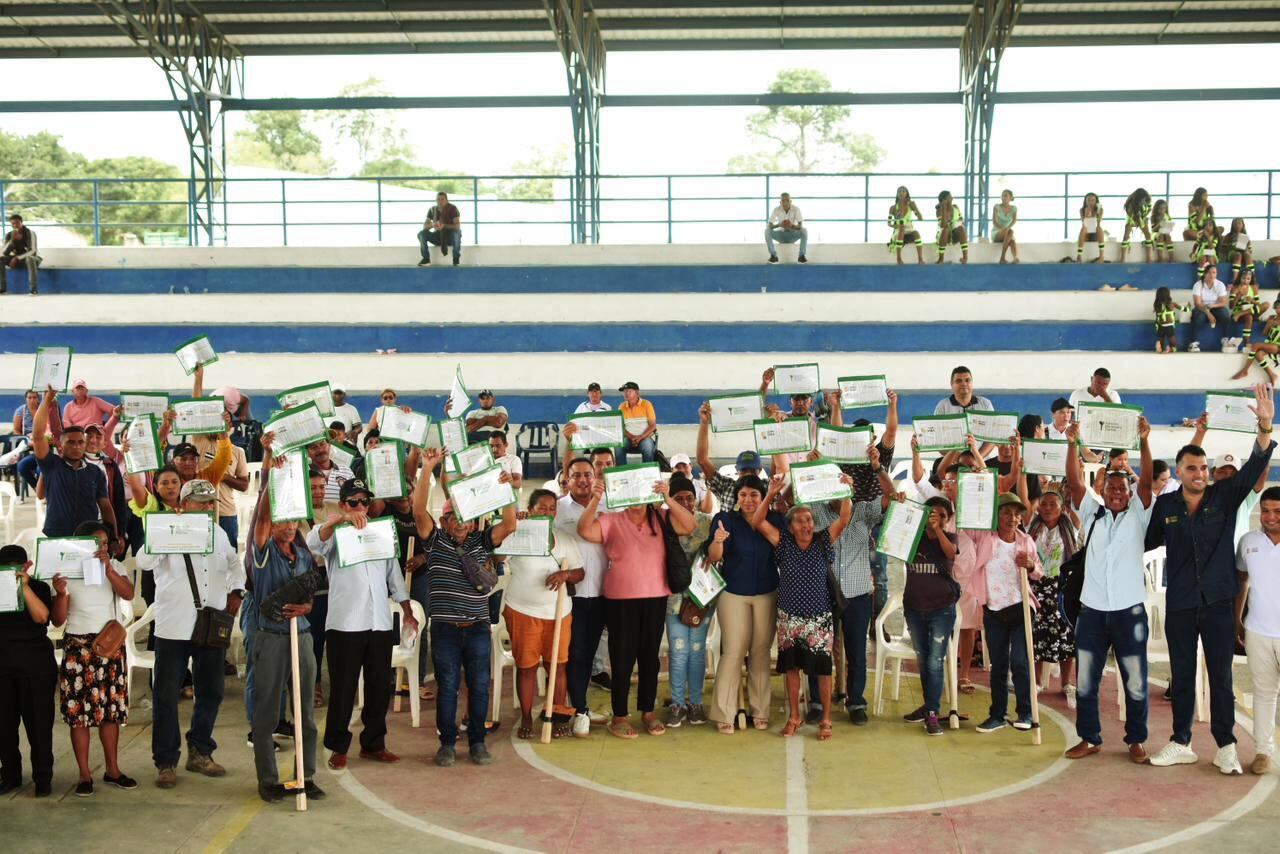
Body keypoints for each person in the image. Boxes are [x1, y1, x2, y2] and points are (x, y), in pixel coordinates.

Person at [1147, 384, 1275, 774]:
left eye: (1204, 468)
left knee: (1220, 678)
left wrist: (1266, 427)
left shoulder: (1224, 496)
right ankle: (1180, 741)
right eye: (1192, 468)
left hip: (1219, 602)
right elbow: (1147, 541)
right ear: (1180, 472)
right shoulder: (1166, 505)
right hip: (1182, 603)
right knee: (1182, 676)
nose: (1200, 474)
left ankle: (1226, 746)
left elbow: (1254, 467)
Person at [135, 479, 244, 789]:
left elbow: (235, 566)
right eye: (200, 502)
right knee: (166, 695)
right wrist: (167, 530)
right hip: (173, 626)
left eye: (210, 503)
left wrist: (237, 591)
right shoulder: (166, 530)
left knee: (211, 691)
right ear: (183, 505)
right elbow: (143, 560)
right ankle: (165, 760)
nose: (207, 508)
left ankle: (200, 750)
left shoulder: (220, 534)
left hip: (210, 625)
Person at [411, 449, 515, 765]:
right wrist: (427, 469)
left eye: (466, 517)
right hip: (445, 629)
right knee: (448, 688)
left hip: (478, 628)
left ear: (472, 521)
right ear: (444, 520)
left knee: (479, 687)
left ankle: (477, 742)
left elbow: (509, 524)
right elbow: (417, 511)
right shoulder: (434, 541)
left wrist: (506, 489)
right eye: (454, 516)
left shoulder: (481, 541)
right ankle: (446, 743)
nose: (460, 522)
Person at [1061, 416, 1154, 762]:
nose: (1117, 494)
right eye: (1111, 489)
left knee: (1135, 679)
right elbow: (1073, 481)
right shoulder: (1092, 514)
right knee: (1087, 679)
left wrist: (1144, 441)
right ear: (1102, 491)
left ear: (1129, 493)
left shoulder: (1139, 514)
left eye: (1122, 489)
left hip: (1129, 612)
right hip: (1092, 611)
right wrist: (1072, 443)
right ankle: (1090, 737)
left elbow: (1146, 481)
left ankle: (1136, 739)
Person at [307, 477, 417, 770]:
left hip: (379, 621)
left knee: (379, 686)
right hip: (345, 623)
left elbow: (394, 576)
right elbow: (312, 542)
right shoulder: (335, 535)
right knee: (343, 689)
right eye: (353, 502)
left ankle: (374, 743)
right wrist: (339, 520)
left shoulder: (381, 532)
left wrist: (407, 610)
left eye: (364, 502)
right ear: (343, 505)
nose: (360, 507)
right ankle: (337, 746)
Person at [576, 471, 696, 739]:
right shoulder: (611, 520)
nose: (635, 499)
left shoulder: (662, 518)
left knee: (650, 659)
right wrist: (595, 500)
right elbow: (584, 530)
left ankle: (647, 712)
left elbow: (689, 525)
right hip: (619, 600)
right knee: (622, 658)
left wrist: (667, 498)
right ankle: (619, 716)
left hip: (655, 597)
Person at [788, 447, 895, 726]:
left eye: (841, 482)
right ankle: (815, 702)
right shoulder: (813, 512)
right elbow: (788, 501)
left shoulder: (863, 510)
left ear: (847, 484)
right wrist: (809, 472)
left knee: (857, 652)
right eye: (831, 482)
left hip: (858, 594)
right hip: (822, 595)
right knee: (818, 651)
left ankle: (856, 701)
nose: (836, 489)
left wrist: (877, 468)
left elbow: (890, 496)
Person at [751, 471, 855, 740]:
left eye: (809, 520)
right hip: (789, 618)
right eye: (800, 521)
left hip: (820, 618)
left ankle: (827, 721)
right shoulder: (783, 542)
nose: (807, 525)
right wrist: (772, 493)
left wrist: (846, 491)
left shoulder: (822, 540)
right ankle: (795, 717)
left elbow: (844, 518)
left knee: (822, 670)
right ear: (790, 526)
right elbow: (758, 520)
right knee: (792, 669)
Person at [247, 446, 323, 804]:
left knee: (306, 712)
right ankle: (268, 779)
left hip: (302, 637)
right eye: (282, 521)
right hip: (272, 638)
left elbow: (310, 593)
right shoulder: (262, 550)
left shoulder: (304, 551)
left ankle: (306, 775)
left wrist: (306, 605)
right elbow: (261, 520)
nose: (289, 527)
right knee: (266, 713)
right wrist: (270, 481)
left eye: (293, 520)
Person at [49, 521, 137, 796]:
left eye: (102, 542)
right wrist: (61, 593)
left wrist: (109, 569)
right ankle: (84, 774)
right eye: (91, 542)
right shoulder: (65, 571)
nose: (98, 548)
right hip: (77, 646)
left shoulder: (114, 566)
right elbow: (58, 619)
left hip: (108, 646)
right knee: (79, 716)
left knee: (111, 712)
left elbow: (128, 593)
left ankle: (113, 769)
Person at [956, 492, 1044, 733]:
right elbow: (964, 519)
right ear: (996, 515)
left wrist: (1031, 565)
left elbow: (1039, 571)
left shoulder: (1025, 541)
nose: (1011, 518)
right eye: (1006, 512)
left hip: (1021, 608)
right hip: (993, 609)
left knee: (1019, 662)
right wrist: (976, 485)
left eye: (1016, 514)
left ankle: (1025, 713)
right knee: (998, 664)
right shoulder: (985, 537)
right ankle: (997, 715)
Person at [502, 489, 583, 740]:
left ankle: (556, 715)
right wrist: (515, 524)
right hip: (522, 611)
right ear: (531, 509)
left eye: (551, 509)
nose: (547, 513)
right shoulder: (517, 534)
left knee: (557, 667)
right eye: (541, 508)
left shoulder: (564, 539)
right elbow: (496, 556)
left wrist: (565, 575)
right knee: (526, 667)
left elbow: (579, 572)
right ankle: (526, 717)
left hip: (559, 614)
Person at [704, 474, 782, 735]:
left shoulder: (775, 520)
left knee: (760, 652)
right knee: (734, 651)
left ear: (763, 498)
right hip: (733, 594)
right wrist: (718, 541)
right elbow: (714, 558)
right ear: (736, 499)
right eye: (743, 495)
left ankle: (759, 710)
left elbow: (783, 547)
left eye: (754, 495)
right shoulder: (724, 520)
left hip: (767, 594)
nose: (748, 500)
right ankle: (724, 712)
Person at [556, 457, 613, 737]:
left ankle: (581, 703)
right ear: (566, 479)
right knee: (576, 653)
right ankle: (579, 709)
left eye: (588, 474)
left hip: (605, 593)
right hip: (571, 596)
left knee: (590, 654)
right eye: (576, 475)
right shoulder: (556, 508)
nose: (583, 480)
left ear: (596, 476)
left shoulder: (608, 505)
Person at [30, 387, 120, 550]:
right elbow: (37, 435)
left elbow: (105, 506)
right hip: (56, 536)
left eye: (80, 442)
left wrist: (113, 536)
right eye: (70, 442)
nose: (76, 446)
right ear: (61, 447)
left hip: (89, 538)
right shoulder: (52, 465)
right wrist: (47, 400)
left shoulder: (95, 472)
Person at [900, 496, 961, 736]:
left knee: (935, 661)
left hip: (941, 609)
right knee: (923, 660)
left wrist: (938, 530)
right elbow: (893, 545)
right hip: (914, 608)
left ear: (947, 520)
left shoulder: (951, 539)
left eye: (941, 516)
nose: (935, 519)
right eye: (930, 514)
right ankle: (928, 706)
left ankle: (933, 712)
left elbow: (951, 555)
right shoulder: (913, 538)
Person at [0, 544, 55, 796]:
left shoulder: (40, 588)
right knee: (4, 727)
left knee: (40, 726)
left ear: (27, 567)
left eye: (18, 568)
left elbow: (42, 617)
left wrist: (23, 587)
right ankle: (10, 775)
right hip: (3, 668)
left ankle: (43, 778)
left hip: (37, 669)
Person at [662, 475, 715, 727]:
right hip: (673, 599)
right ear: (669, 500)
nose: (685, 502)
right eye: (678, 498)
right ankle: (677, 703)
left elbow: (716, 556)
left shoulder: (708, 523)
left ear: (696, 499)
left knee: (696, 651)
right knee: (678, 651)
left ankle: (695, 702)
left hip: (701, 598)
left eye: (689, 497)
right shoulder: (663, 522)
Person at [1235, 486, 1280, 775]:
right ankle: (1263, 751)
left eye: (1277, 511)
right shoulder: (1248, 541)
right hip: (1258, 631)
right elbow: (1242, 581)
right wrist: (1236, 620)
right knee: (1264, 693)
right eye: (1265, 510)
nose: (1270, 516)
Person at [13, 389, 62, 492]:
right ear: (25, 399)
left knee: (41, 469)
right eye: (29, 398)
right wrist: (26, 438)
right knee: (22, 466)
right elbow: (16, 431)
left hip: (45, 444)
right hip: (29, 444)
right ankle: (38, 489)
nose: (32, 400)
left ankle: (45, 490)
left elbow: (54, 429)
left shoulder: (47, 409)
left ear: (39, 399)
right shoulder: (20, 411)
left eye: (34, 397)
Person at [1189, 263, 1230, 353]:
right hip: (1201, 308)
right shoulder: (1198, 284)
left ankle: (1225, 340)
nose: (1212, 275)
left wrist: (1213, 306)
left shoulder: (1220, 284)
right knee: (1200, 317)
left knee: (1225, 314)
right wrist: (1208, 313)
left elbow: (1223, 302)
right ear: (1204, 274)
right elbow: (1197, 303)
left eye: (1214, 272)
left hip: (1214, 307)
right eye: (1209, 273)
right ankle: (1193, 343)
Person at [1228, 267, 1268, 353]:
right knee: (1249, 317)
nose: (1245, 280)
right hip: (1238, 312)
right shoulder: (1235, 288)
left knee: (1266, 304)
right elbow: (1231, 306)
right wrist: (1238, 296)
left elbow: (1258, 304)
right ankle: (1246, 341)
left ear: (1251, 279)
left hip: (1251, 309)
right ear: (1240, 278)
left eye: (1248, 279)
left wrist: (1252, 300)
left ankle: (1242, 313)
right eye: (1243, 278)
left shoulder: (1253, 288)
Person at [616, 381, 658, 465]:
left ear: (637, 393)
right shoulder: (622, 406)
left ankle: (648, 474)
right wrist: (631, 437)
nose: (626, 394)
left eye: (629, 391)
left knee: (648, 448)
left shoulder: (646, 404)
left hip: (644, 438)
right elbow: (620, 427)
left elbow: (652, 425)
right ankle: (622, 474)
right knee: (618, 448)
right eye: (624, 391)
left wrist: (640, 437)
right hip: (628, 438)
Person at [418, 191, 462, 266]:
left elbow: (457, 226)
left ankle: (456, 258)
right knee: (422, 234)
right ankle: (426, 259)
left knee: (457, 233)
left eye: (442, 199)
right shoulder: (432, 210)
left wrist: (444, 225)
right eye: (438, 199)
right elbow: (425, 226)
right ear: (436, 200)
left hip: (450, 237)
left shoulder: (453, 208)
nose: (440, 201)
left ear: (446, 200)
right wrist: (433, 225)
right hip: (438, 236)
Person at [0, 213, 39, 295]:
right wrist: (12, 241)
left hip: (34, 259)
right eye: (12, 224)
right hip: (18, 260)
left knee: (30, 258)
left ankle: (33, 290)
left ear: (22, 222)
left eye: (17, 223)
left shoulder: (30, 233)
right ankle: (2, 289)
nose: (15, 225)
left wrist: (17, 258)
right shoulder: (9, 235)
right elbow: (3, 253)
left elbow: (33, 251)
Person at [887, 185, 926, 264]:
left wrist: (915, 208)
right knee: (901, 229)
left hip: (909, 229)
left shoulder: (911, 205)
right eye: (899, 191)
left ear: (907, 194)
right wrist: (898, 226)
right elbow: (889, 223)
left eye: (903, 191)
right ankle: (899, 258)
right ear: (897, 194)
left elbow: (921, 218)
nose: (901, 193)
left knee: (916, 233)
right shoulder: (893, 207)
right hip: (898, 230)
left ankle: (920, 258)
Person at [765, 192, 807, 264]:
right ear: (780, 202)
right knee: (767, 231)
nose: (785, 203)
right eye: (783, 201)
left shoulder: (796, 209)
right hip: (781, 235)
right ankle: (773, 256)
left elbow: (800, 226)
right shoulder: (776, 210)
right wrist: (779, 225)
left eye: (787, 200)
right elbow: (770, 225)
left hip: (792, 235)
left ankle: (801, 256)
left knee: (804, 230)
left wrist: (792, 225)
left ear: (790, 201)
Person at [1120, 188, 1153, 263]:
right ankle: (1123, 258)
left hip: (1142, 218)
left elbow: (1149, 209)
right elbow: (1129, 213)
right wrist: (1136, 220)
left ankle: (1149, 257)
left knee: (1148, 235)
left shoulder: (1147, 201)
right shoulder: (1130, 203)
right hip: (1131, 218)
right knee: (1126, 236)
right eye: (1141, 199)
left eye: (1144, 199)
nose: (1143, 201)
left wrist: (1144, 217)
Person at [934, 191, 968, 264]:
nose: (952, 198)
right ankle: (941, 258)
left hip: (955, 234)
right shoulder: (939, 210)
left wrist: (958, 223)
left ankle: (965, 258)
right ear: (944, 200)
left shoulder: (955, 207)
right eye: (950, 197)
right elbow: (943, 225)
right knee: (946, 229)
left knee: (961, 228)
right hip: (943, 236)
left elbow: (962, 221)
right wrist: (944, 209)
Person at [1153, 287, 1186, 355]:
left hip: (1160, 327)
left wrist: (1157, 327)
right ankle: (1170, 349)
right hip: (1169, 327)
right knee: (1174, 346)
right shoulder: (1172, 304)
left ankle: (1160, 348)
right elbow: (1184, 309)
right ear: (1168, 295)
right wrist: (1188, 307)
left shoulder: (1156, 305)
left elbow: (1157, 318)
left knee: (1161, 342)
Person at [1076, 192, 1105, 263]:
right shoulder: (1082, 210)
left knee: (1099, 228)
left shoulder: (1100, 210)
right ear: (1085, 202)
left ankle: (1101, 256)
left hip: (1095, 233)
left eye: (1092, 200)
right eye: (1088, 200)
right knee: (1084, 228)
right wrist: (1086, 214)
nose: (1090, 202)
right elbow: (1084, 223)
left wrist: (1096, 213)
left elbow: (1098, 223)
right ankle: (1079, 255)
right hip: (1086, 234)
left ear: (1096, 202)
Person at [1223, 217, 1253, 283]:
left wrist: (1246, 249)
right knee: (1238, 254)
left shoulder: (1246, 236)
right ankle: (1235, 280)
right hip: (1232, 254)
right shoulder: (1228, 236)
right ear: (1232, 225)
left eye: (1239, 223)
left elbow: (1250, 251)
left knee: (1247, 254)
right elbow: (1223, 249)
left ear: (1243, 225)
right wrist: (1232, 246)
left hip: (1244, 254)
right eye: (1235, 224)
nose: (1237, 225)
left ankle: (1252, 279)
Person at [992, 189, 1019, 264]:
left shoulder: (1014, 208)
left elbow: (1014, 221)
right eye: (1002, 195)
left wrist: (1007, 228)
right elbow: (994, 221)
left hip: (1007, 233)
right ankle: (1002, 257)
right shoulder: (996, 207)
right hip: (997, 232)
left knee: (1011, 237)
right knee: (1010, 232)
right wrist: (1002, 229)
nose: (1003, 197)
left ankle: (1015, 257)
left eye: (1006, 196)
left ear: (1010, 198)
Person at [1151, 199, 1176, 263]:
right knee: (1161, 236)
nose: (1162, 210)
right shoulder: (1154, 216)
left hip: (1165, 232)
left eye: (1164, 208)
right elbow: (1153, 229)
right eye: (1160, 208)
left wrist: (1169, 226)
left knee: (1168, 237)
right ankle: (1160, 257)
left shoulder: (1167, 216)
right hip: (1156, 234)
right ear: (1157, 209)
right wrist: (1160, 224)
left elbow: (1170, 227)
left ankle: (1171, 257)